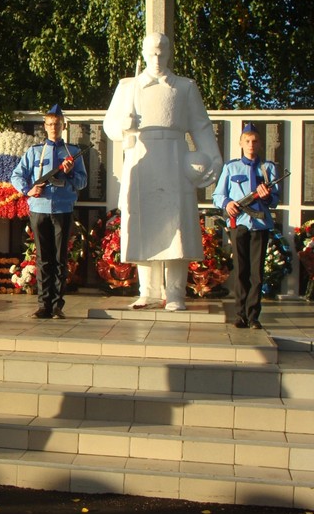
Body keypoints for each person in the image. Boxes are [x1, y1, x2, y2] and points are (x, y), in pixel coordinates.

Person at [103, 32, 223, 312]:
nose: (157, 58)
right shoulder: (128, 87)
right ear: (144, 54)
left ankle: (175, 293)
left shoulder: (184, 87)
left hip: (174, 158)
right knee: (144, 225)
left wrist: (213, 159)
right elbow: (110, 126)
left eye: (161, 53)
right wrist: (124, 125)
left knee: (176, 226)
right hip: (141, 157)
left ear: (169, 53)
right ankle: (148, 292)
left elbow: (201, 126)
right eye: (152, 53)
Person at [11, 105, 88, 319]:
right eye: (50, 124)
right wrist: (28, 190)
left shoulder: (72, 153)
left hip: (63, 209)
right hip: (39, 209)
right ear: (45, 127)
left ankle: (56, 306)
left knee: (60, 259)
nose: (54, 127)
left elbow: (82, 182)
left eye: (57, 124)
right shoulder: (35, 152)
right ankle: (43, 305)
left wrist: (70, 174)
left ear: (63, 126)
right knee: (43, 259)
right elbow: (16, 176)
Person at [213, 124, 279, 329]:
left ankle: (253, 316)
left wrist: (266, 197)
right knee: (241, 271)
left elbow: (275, 200)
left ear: (260, 144)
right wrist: (228, 204)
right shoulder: (231, 167)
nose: (251, 145)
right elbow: (218, 195)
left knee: (256, 274)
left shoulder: (268, 168)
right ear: (241, 143)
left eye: (255, 141)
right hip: (239, 224)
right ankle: (240, 314)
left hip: (260, 225)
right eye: (247, 141)